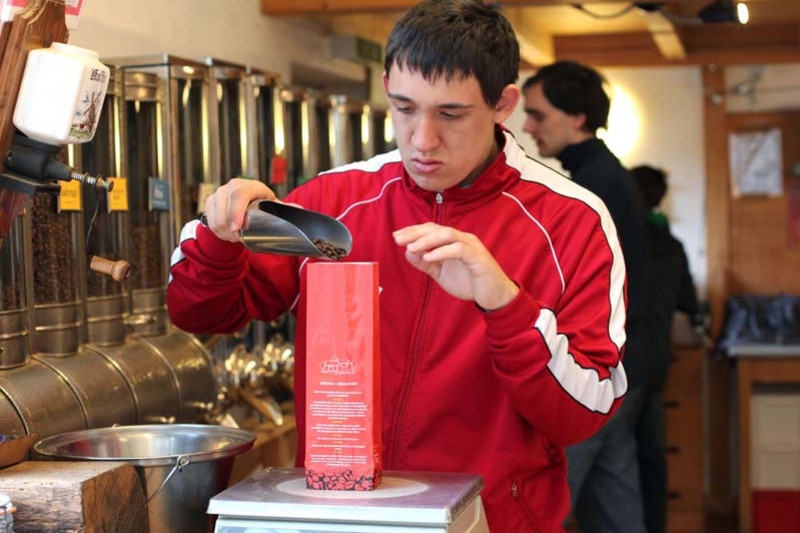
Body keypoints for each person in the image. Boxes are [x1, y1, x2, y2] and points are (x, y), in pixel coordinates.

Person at [168, 3, 629, 531]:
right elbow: (200, 313)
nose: (422, 139)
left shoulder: (571, 221)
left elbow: (582, 415)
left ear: (503, 105)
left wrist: (503, 303)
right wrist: (219, 234)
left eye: (450, 114)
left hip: (492, 520)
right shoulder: (336, 200)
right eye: (404, 108)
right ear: (386, 86)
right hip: (340, 518)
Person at [521, 61, 649, 533]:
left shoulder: (592, 189)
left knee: (547, 503)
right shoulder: (605, 174)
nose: (529, 127)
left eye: (537, 115)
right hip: (623, 360)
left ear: (576, 117)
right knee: (614, 501)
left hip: (594, 364)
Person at [631, 165, 700, 533]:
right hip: (658, 362)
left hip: (625, 365)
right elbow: (688, 301)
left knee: (614, 458)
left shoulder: (627, 240)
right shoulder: (672, 245)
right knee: (652, 455)